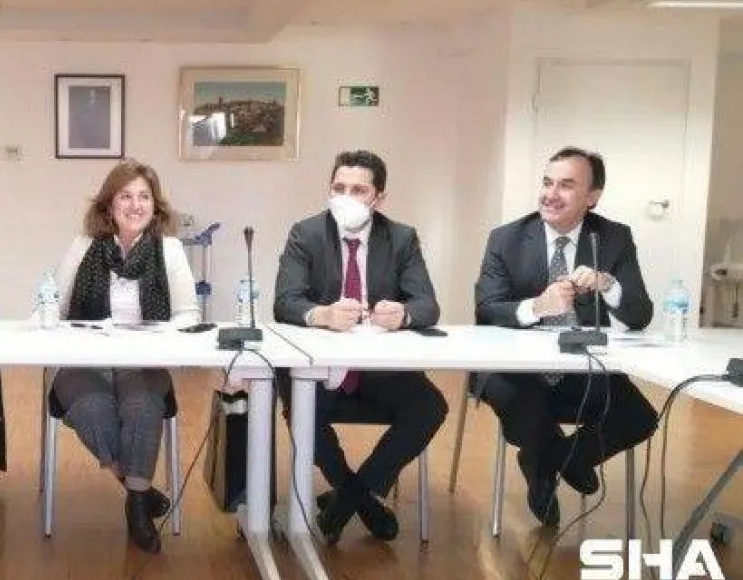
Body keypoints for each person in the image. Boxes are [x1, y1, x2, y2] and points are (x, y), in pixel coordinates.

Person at [474, 146, 657, 526]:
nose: (550, 194)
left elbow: (640, 315)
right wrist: (537, 307)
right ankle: (559, 460)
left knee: (639, 416)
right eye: (547, 183)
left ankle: (547, 462)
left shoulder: (613, 238)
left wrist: (609, 286)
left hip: (580, 366)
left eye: (566, 185)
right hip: (514, 369)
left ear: (592, 197)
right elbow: (487, 308)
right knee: (522, 404)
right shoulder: (506, 238)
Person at [273, 150, 448, 544]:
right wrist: (322, 314)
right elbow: (285, 301)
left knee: (430, 406)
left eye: (358, 190)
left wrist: (403, 314)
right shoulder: (306, 233)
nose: (346, 197)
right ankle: (361, 500)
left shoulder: (400, 238)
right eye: (338, 188)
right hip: (321, 366)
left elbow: (427, 305)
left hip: (379, 368)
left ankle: (348, 498)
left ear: (378, 198)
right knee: (300, 405)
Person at [48, 159, 198, 554]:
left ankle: (136, 507)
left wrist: (163, 337)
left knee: (142, 405)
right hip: (85, 359)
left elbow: (188, 315)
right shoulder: (84, 246)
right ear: (109, 205)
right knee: (92, 407)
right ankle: (139, 490)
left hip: (143, 359)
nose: (135, 205)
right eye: (125, 196)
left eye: (144, 196)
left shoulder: (169, 249)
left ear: (155, 205)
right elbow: (54, 306)